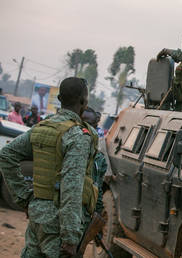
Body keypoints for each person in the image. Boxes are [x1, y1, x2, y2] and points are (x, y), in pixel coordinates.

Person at [0, 77, 98, 257]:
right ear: (84, 102)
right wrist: (70, 236)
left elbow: (6, 155)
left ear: (59, 99)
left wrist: (25, 198)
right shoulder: (78, 136)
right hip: (58, 224)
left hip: (37, 214)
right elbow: (71, 188)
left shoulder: (42, 127)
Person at [81, 107, 107, 216]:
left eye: (91, 125)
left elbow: (98, 188)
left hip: (84, 214)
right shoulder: (63, 146)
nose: (87, 128)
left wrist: (97, 212)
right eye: (83, 123)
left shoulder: (99, 158)